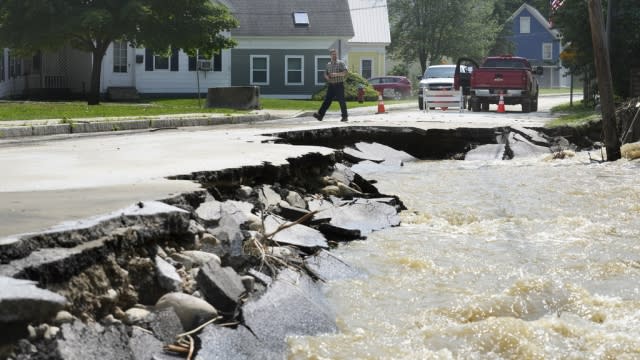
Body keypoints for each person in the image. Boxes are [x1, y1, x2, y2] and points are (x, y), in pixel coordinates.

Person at [313, 49, 349, 122]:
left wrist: (336, 74)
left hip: (339, 85)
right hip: (331, 85)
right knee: (327, 101)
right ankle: (320, 115)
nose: (334, 56)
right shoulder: (328, 64)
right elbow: (325, 73)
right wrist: (326, 77)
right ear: (330, 55)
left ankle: (345, 117)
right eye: (333, 54)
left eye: (335, 54)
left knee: (341, 101)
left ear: (337, 55)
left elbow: (345, 72)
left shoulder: (340, 63)